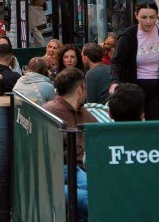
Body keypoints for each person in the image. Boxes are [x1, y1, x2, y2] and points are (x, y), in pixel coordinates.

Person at [109, 0, 159, 121]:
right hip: (134, 90)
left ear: (157, 16)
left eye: (152, 17)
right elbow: (117, 63)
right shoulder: (127, 36)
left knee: (155, 125)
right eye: (144, 17)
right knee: (134, 125)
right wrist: (115, 82)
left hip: (157, 89)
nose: (148, 21)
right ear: (136, 16)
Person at [44, 68, 96, 221]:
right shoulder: (50, 113)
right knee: (90, 197)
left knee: (98, 191)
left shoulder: (82, 111)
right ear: (80, 89)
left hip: (84, 171)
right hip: (61, 174)